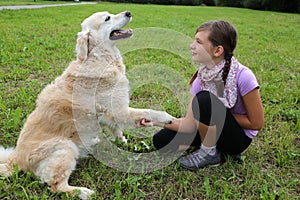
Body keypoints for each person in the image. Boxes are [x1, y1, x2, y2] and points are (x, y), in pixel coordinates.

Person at [137, 20, 264, 171]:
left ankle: (209, 154)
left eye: (198, 42)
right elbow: (190, 124)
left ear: (217, 51)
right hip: (212, 130)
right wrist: (157, 119)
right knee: (162, 141)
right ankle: (213, 146)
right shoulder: (201, 79)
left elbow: (256, 123)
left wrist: (216, 114)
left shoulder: (244, 76)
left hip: (236, 140)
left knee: (205, 101)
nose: (192, 45)